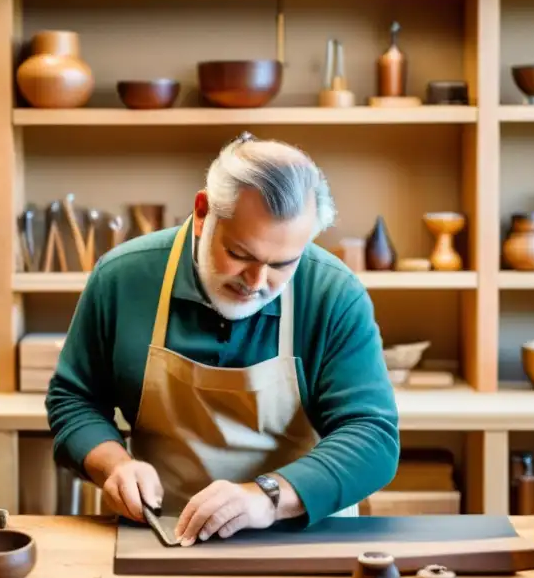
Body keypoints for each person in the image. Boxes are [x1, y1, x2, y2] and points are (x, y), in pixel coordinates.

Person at [46, 132, 399, 547]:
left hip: (302, 535)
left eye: (282, 264)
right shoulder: (124, 278)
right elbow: (74, 398)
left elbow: (371, 435)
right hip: (167, 534)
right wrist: (114, 464)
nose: (256, 282)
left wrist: (268, 497)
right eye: (241, 254)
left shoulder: (333, 293)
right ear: (202, 212)